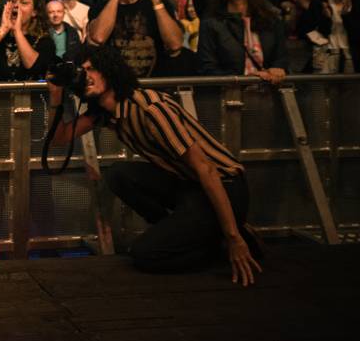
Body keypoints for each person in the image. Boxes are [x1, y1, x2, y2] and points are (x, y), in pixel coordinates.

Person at [47, 45, 263, 285]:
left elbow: (207, 169)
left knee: (146, 255)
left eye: (92, 69)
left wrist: (233, 238)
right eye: (82, 71)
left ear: (110, 70)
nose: (86, 76)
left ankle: (221, 242)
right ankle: (181, 232)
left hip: (226, 187)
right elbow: (60, 138)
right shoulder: (105, 112)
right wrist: (56, 96)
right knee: (119, 174)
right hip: (190, 186)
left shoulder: (150, 109)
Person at [86, 0, 183, 79]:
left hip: (153, 85)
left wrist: (156, 0)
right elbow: (99, 37)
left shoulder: (156, 3)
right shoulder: (100, 7)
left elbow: (175, 44)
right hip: (117, 86)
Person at [298, 0, 357, 74]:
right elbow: (304, 30)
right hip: (324, 55)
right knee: (322, 85)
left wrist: (346, 16)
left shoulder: (357, 2)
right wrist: (325, 21)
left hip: (351, 57)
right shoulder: (319, 2)